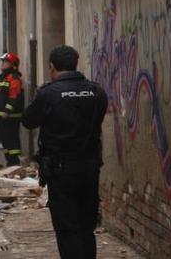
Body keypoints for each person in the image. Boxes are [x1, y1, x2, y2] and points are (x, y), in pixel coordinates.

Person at [23, 45, 108, 259]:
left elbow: (28, 121)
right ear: (75, 64)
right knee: (86, 225)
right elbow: (98, 119)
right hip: (90, 167)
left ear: (52, 67)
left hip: (61, 168)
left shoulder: (48, 93)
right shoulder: (96, 91)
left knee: (66, 226)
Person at [0, 52, 24, 166]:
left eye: (6, 62)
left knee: (12, 141)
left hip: (11, 117)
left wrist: (7, 111)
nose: (3, 64)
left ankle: (14, 163)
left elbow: (13, 96)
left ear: (13, 65)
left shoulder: (14, 78)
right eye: (3, 61)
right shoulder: (1, 78)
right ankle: (9, 163)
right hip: (2, 117)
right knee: (5, 142)